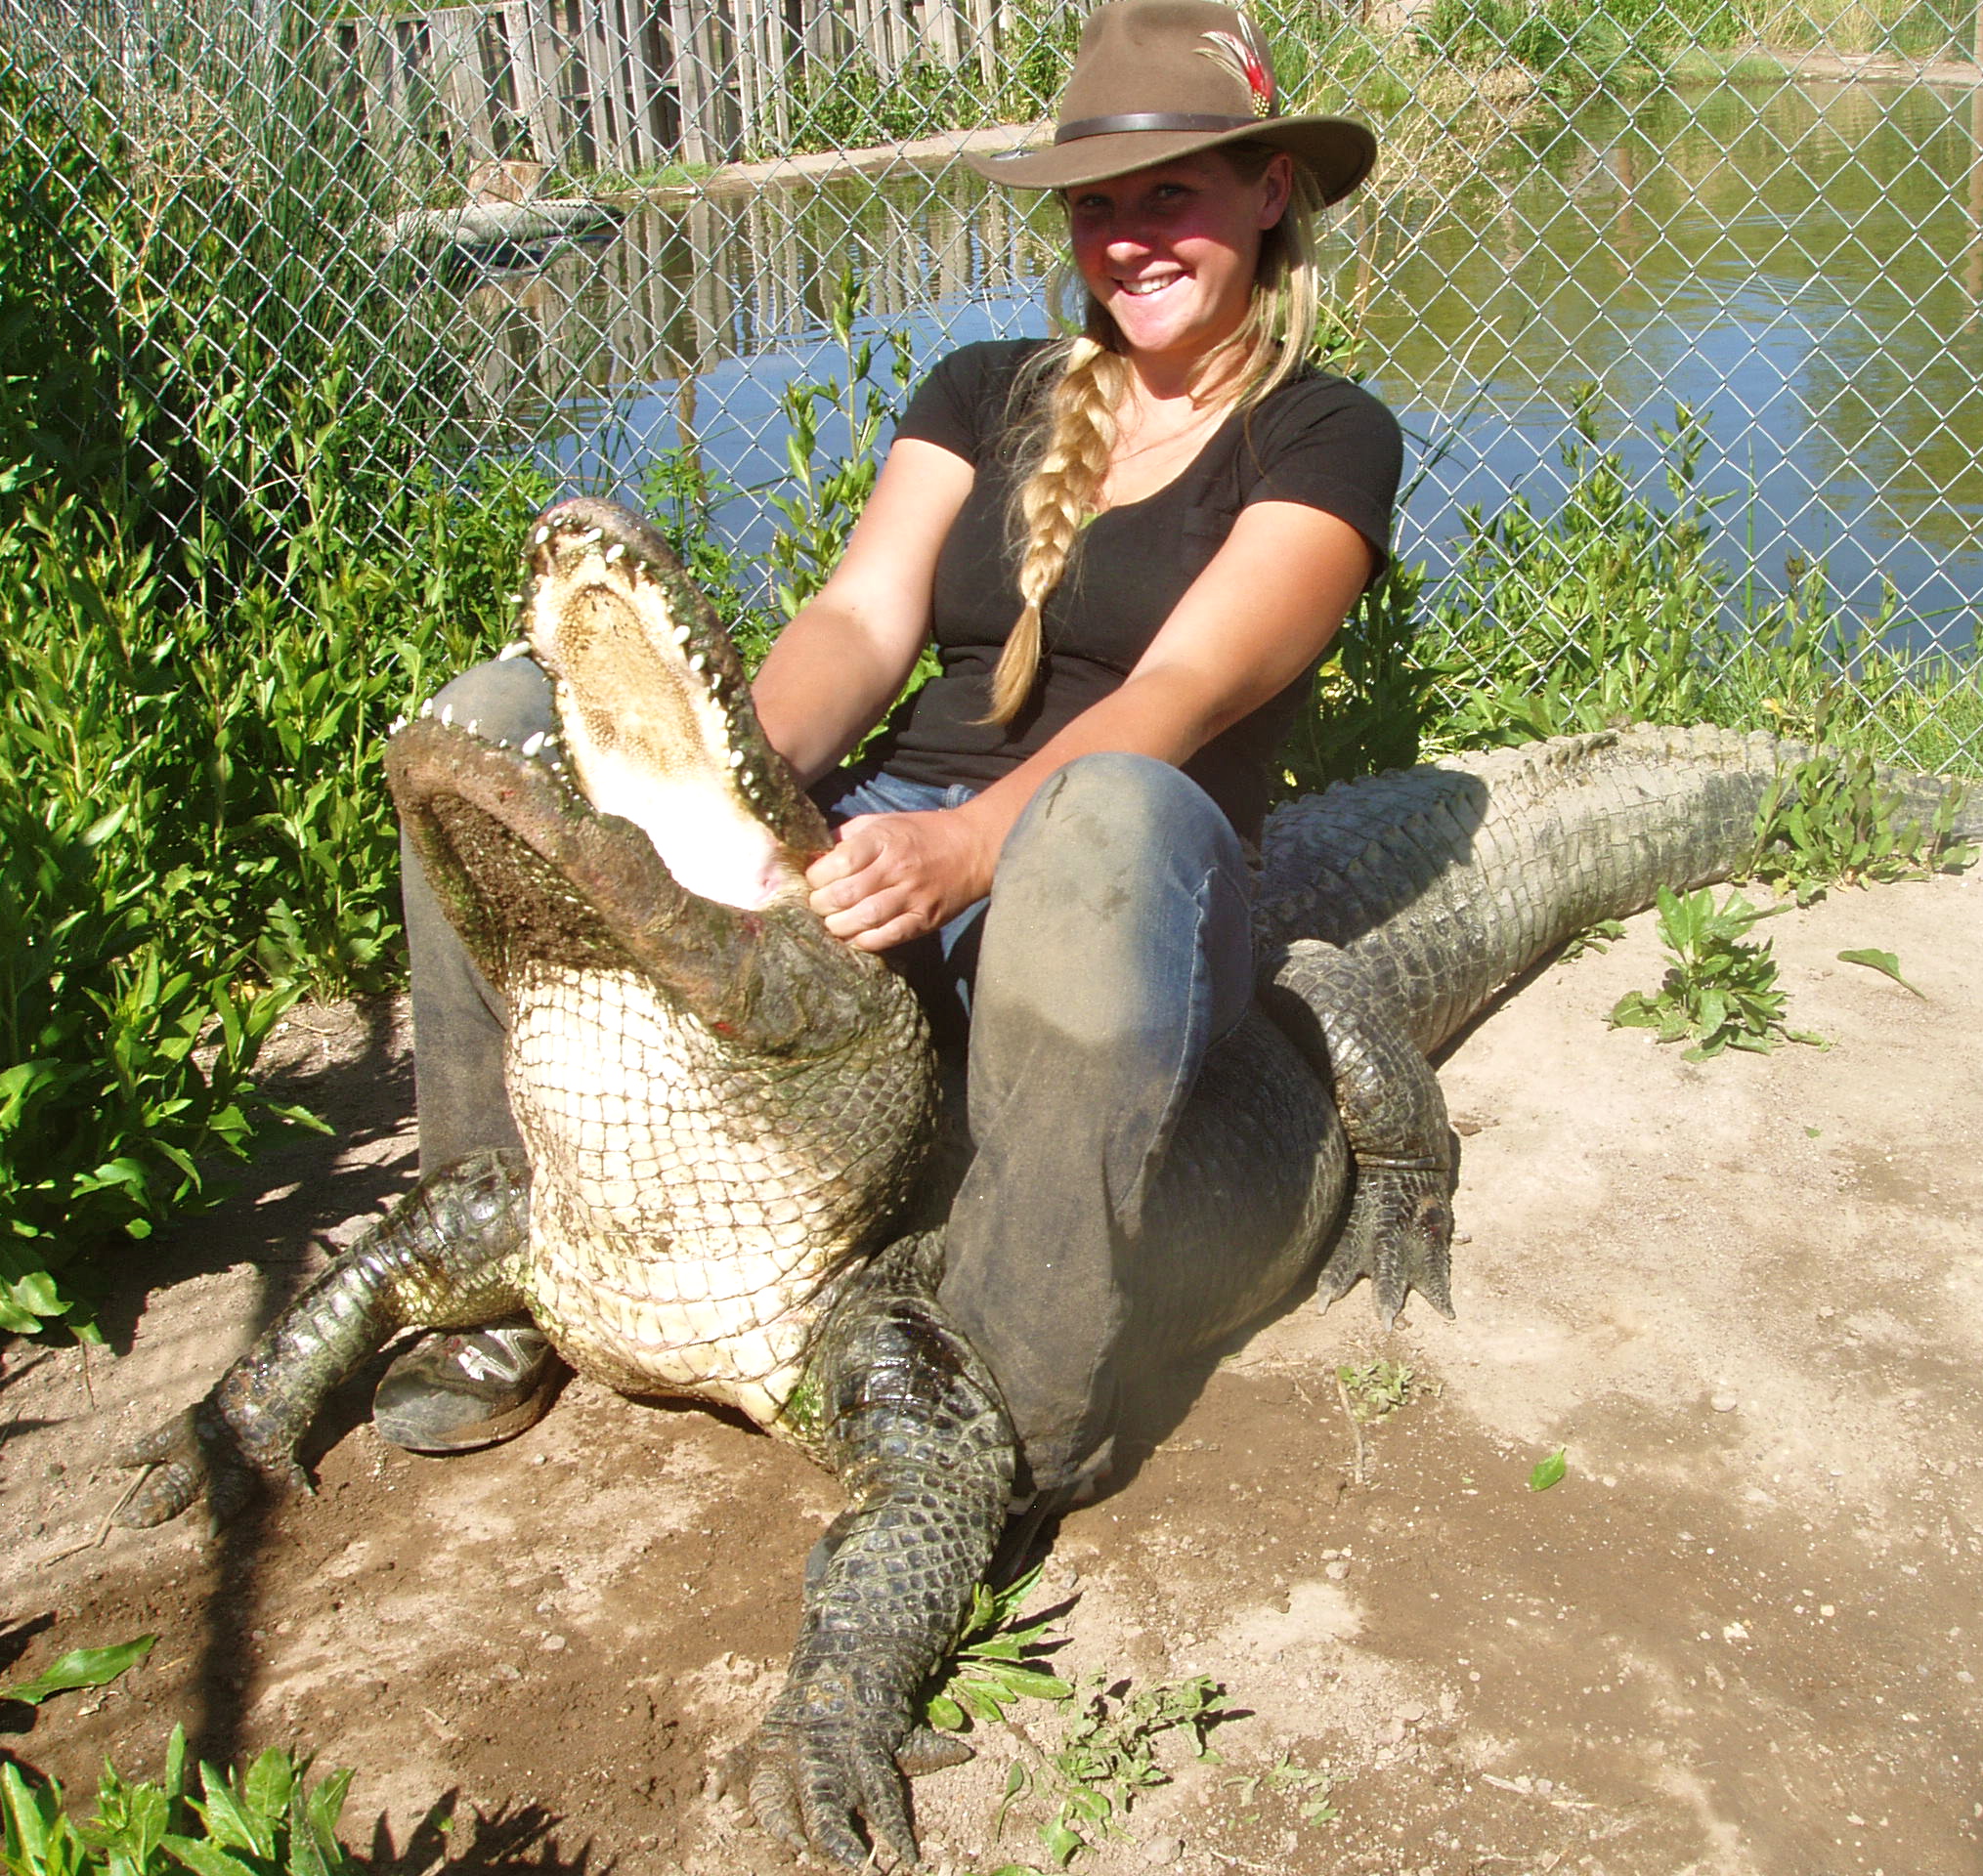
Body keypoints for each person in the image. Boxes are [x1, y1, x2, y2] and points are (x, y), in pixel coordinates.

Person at [374, 0, 1401, 1509]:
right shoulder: (984, 389)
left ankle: (1020, 1398)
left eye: (1170, 195)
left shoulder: (1328, 436)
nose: (1130, 241)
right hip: (886, 833)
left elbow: (1182, 691)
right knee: (494, 718)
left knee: (1111, 809)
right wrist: (721, 791)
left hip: (1122, 880)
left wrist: (969, 846)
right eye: (1099, 206)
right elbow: (859, 617)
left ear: (1266, 193)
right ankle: (497, 1241)